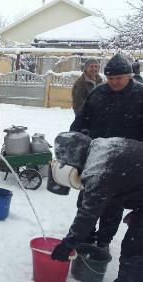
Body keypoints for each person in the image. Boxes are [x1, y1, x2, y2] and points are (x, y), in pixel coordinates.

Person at [70, 53, 143, 251]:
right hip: (96, 158)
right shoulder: (98, 93)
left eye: (118, 78)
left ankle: (103, 241)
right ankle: (85, 237)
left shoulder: (140, 95)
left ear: (129, 75)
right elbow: (80, 122)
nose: (114, 82)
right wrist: (75, 141)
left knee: (113, 205)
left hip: (127, 163)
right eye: (110, 78)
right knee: (87, 200)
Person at [51, 132, 143, 281]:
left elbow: (88, 214)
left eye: (71, 164)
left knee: (135, 252)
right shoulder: (102, 145)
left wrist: (68, 243)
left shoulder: (98, 171)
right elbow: (126, 178)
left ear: (75, 158)